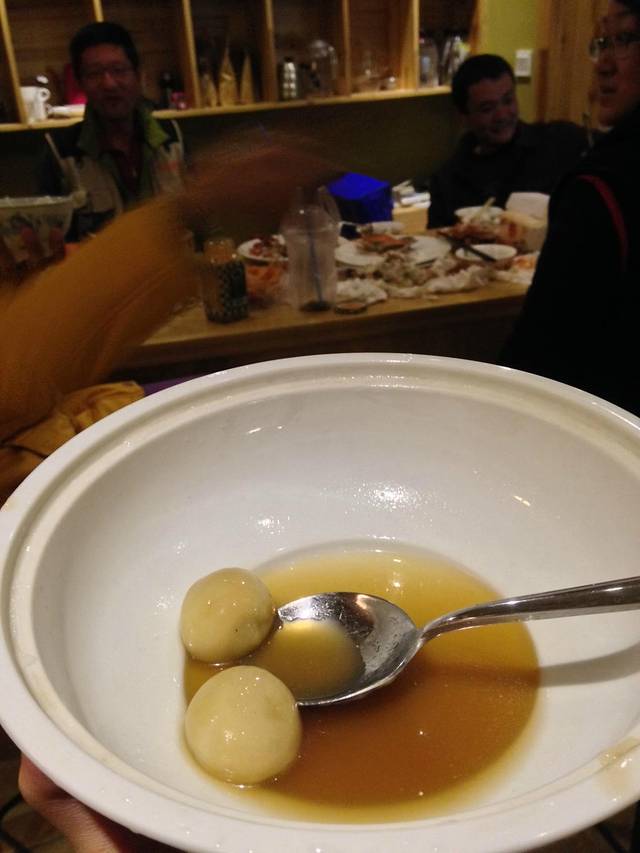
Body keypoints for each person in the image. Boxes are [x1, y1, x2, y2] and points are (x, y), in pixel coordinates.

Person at [501, 0, 640, 417]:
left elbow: (540, 354)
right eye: (602, 42)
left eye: (625, 39)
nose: (603, 65)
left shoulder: (600, 187)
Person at [38, 21, 185, 240]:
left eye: (119, 70)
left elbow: (199, 221)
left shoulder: (172, 137)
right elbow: (52, 241)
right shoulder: (60, 151)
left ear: (138, 75)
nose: (109, 84)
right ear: (80, 82)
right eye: (94, 74)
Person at [427, 54, 590, 227]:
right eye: (487, 109)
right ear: (464, 117)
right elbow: (436, 239)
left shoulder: (558, 142)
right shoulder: (447, 181)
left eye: (508, 100)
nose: (502, 115)